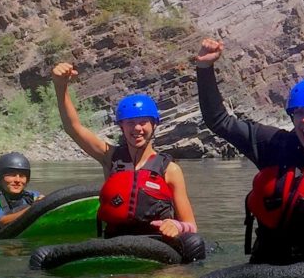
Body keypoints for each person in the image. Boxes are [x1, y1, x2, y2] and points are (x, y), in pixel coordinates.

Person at [193, 38, 304, 266]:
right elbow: (219, 121)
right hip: (265, 267)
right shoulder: (274, 145)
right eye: (299, 113)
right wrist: (204, 68)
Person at [51, 62, 206, 261]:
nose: (137, 128)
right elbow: (73, 128)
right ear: (122, 127)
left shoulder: (170, 169)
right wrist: (60, 86)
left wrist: (176, 226)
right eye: (130, 123)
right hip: (116, 243)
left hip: (157, 246)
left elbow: (191, 225)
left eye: (143, 122)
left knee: (194, 243)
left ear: (154, 124)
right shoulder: (110, 158)